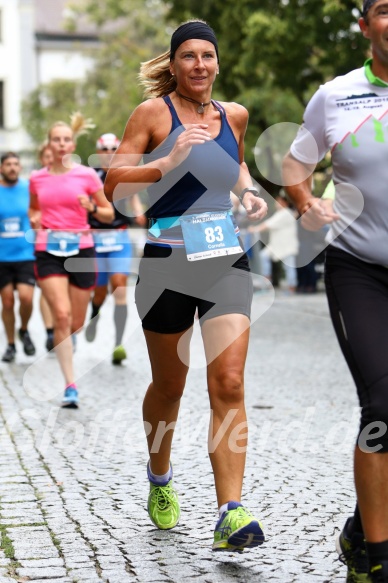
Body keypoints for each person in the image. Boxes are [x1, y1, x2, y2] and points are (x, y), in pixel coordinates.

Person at [104, 20, 268, 551]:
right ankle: (159, 475)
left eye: (208, 56)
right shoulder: (153, 114)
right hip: (167, 261)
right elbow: (112, 182)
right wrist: (166, 162)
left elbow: (235, 163)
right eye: (189, 56)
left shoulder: (233, 116)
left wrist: (248, 192)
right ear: (173, 65)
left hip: (223, 258)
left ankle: (230, 511)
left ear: (218, 63)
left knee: (229, 381)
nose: (200, 65)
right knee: (169, 388)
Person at [283, 1, 388, 580]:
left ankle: (357, 526)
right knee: (383, 408)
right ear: (365, 26)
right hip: (360, 268)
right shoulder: (337, 95)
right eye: (386, 9)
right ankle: (377, 559)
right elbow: (296, 163)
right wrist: (306, 203)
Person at [29, 114, 114, 408]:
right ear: (49, 145)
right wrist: (34, 218)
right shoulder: (36, 178)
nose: (62, 144)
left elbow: (108, 214)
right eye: (56, 139)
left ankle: (71, 337)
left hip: (82, 250)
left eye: (66, 139)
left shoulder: (87, 176)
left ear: (73, 144)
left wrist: (91, 206)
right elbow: (34, 209)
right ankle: (70, 385)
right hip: (48, 250)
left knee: (75, 322)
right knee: (62, 317)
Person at [85, 132, 146, 364]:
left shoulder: (124, 174)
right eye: (105, 149)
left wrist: (138, 211)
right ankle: (94, 315)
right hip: (96, 238)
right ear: (99, 152)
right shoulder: (91, 176)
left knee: (119, 287)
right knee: (99, 291)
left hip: (119, 238)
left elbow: (133, 198)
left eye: (113, 149)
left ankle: (118, 343)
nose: (110, 153)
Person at [0, 152, 36, 362]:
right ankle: (11, 344)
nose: (12, 168)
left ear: (20, 167)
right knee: (6, 302)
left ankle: (24, 329)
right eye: (8, 164)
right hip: (2, 256)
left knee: (26, 297)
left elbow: (39, 210)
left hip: (25, 253)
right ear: (1, 168)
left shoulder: (29, 188)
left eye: (16, 164)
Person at [248, 192, 299, 292]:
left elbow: (268, 224)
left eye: (278, 202)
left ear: (284, 203)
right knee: (263, 256)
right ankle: (267, 281)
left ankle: (292, 287)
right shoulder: (279, 213)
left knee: (289, 266)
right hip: (276, 245)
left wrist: (254, 229)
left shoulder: (286, 213)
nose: (276, 204)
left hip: (287, 245)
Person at [36, 141, 55, 352]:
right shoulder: (37, 181)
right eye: (47, 157)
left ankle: (64, 327)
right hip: (43, 240)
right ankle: (50, 331)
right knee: (45, 287)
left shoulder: (71, 178)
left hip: (69, 241)